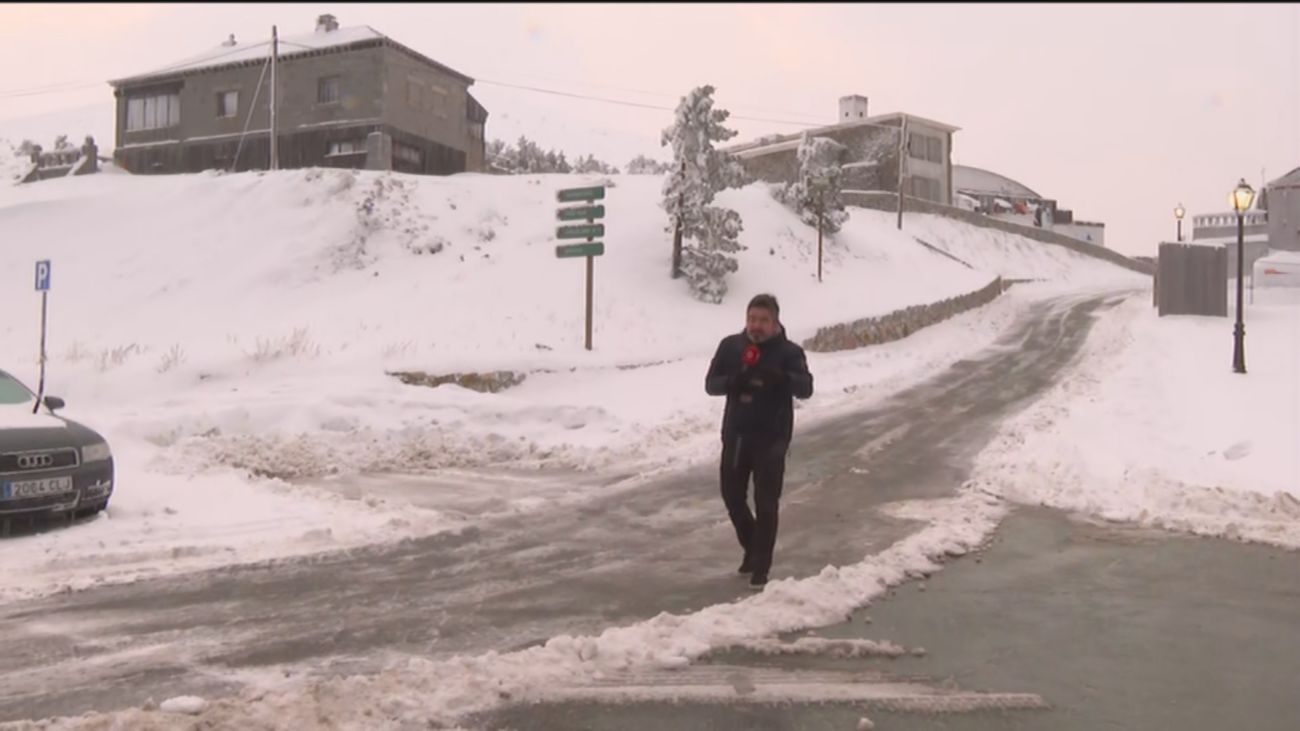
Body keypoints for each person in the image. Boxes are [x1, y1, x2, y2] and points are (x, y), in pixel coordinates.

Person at [704, 293, 814, 590]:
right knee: (732, 498)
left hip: (772, 438)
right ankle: (753, 547)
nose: (756, 326)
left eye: (763, 320)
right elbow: (710, 384)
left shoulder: (789, 352)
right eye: (752, 319)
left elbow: (806, 388)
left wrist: (782, 378)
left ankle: (761, 567)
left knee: (766, 503)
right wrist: (732, 382)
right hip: (736, 436)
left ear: (775, 322)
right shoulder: (731, 347)